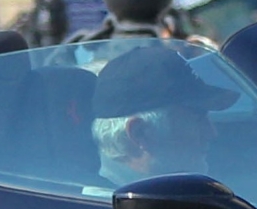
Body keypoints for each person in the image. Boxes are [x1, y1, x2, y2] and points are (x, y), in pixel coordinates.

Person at [90, 41, 234, 185]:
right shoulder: (107, 205)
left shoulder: (148, 200)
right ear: (140, 133)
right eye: (197, 119)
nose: (211, 132)